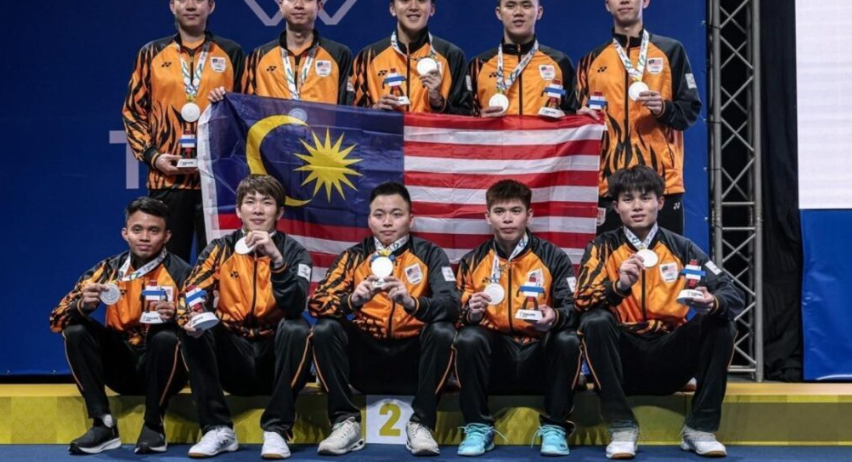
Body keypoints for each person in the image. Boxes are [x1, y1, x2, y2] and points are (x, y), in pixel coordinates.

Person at [575, 166, 744, 459]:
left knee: (720, 322)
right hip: (622, 362)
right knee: (595, 320)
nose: (637, 206)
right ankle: (621, 427)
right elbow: (581, 299)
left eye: (645, 198)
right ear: (616, 207)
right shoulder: (601, 247)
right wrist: (619, 286)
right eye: (628, 199)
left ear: (661, 202)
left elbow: (733, 295)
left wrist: (711, 301)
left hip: (670, 358)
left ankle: (700, 429)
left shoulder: (683, 247)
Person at [308, 182, 459, 456]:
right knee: (325, 328)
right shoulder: (353, 256)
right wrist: (352, 301)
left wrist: (413, 304)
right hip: (365, 362)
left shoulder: (430, 254)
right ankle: (345, 421)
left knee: (443, 330)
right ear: (369, 219)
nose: (387, 222)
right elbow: (317, 303)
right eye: (379, 214)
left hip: (414, 363)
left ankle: (422, 423)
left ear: (410, 219)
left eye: (396, 214)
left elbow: (452, 305)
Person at [177, 174, 313, 459]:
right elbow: (191, 290)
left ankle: (277, 430)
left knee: (297, 327)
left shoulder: (295, 252)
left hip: (273, 360)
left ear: (280, 212)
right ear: (239, 210)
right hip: (232, 356)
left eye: (267, 202)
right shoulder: (219, 249)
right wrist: (193, 314)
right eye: (250, 202)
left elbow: (295, 304)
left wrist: (277, 261)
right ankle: (218, 429)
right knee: (196, 328)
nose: (258, 209)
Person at [50, 197, 190, 454]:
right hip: (121, 365)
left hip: (165, 369)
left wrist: (179, 314)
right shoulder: (108, 269)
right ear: (125, 233)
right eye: (137, 230)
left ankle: (154, 425)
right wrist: (83, 306)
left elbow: (206, 325)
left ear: (167, 236)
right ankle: (103, 424)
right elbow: (56, 320)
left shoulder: (183, 272)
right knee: (75, 331)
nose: (144, 237)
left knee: (167, 337)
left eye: (154, 230)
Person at [122, 0, 244, 261]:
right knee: (164, 263)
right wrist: (153, 157)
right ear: (171, 5)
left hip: (215, 182)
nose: (190, 5)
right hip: (166, 179)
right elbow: (133, 111)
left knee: (215, 263)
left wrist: (228, 104)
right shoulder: (151, 53)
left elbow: (246, 111)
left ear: (210, 6)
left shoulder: (231, 53)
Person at [454, 180, 581, 457]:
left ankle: (555, 427)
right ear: (488, 217)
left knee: (568, 338)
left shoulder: (554, 257)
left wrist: (554, 316)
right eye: (499, 211)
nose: (508, 219)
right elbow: (455, 313)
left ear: (529, 215)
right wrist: (471, 313)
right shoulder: (472, 261)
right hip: (496, 358)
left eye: (515, 211)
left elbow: (573, 308)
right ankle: (478, 426)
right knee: (468, 337)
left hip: (539, 355)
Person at [575, 0, 701, 235]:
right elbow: (578, 121)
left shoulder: (671, 51)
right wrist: (580, 120)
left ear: (645, 0)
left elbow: (690, 111)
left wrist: (664, 108)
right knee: (610, 261)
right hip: (609, 186)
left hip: (661, 185)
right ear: (607, 4)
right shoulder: (590, 62)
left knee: (663, 260)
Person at [208, 0, 353, 105]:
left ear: (319, 6)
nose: (298, 5)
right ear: (281, 5)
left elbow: (347, 112)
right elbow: (246, 109)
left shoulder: (339, 55)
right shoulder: (258, 57)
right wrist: (222, 99)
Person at [352, 0, 472, 114]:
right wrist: (375, 110)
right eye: (405, 0)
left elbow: (467, 117)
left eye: (421, 0)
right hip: (385, 130)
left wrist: (439, 102)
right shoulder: (368, 57)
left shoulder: (451, 55)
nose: (413, 7)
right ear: (392, 8)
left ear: (432, 9)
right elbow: (351, 116)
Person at [470, 0, 577, 118]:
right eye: (510, 6)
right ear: (499, 13)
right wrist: (478, 119)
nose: (518, 12)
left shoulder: (560, 62)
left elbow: (575, 115)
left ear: (539, 12)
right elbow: (464, 118)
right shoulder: (479, 65)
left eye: (526, 5)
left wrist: (566, 117)